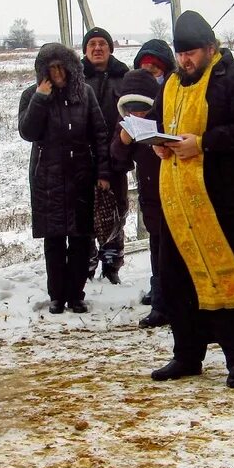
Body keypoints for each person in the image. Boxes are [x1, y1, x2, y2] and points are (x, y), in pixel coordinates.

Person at [142, 10, 234, 389]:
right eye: (180, 54)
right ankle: (187, 355)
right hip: (177, 204)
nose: (185, 61)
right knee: (180, 283)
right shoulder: (171, 82)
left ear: (210, 48)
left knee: (228, 282)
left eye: (191, 53)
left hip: (221, 201)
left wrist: (203, 143)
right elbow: (161, 122)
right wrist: (158, 141)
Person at [19, 43, 111, 314]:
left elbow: (100, 135)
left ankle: (76, 294)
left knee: (82, 239)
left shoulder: (85, 93)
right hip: (47, 178)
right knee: (55, 240)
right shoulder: (32, 95)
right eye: (51, 69)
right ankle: (57, 296)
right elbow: (28, 132)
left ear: (70, 68)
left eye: (61, 67)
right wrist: (40, 98)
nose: (57, 74)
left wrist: (103, 173)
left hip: (81, 175)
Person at [110, 70, 168, 328]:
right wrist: (123, 140)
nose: (139, 115)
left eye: (143, 109)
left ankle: (179, 302)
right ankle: (160, 303)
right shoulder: (126, 125)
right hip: (150, 197)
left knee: (175, 251)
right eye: (132, 110)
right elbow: (117, 159)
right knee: (156, 249)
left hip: (173, 192)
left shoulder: (167, 119)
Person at [81, 27, 130, 284]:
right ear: (85, 50)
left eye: (102, 44)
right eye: (92, 44)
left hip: (116, 156)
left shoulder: (124, 77)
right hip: (82, 159)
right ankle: (87, 261)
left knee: (116, 210)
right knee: (86, 211)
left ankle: (112, 263)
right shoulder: (76, 78)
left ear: (110, 49)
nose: (97, 48)